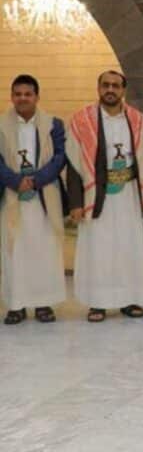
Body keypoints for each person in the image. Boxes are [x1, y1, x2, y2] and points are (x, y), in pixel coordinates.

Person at [67, 71, 143, 323]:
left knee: (129, 246)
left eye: (115, 85)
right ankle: (98, 303)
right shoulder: (82, 121)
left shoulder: (137, 120)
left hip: (127, 195)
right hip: (96, 196)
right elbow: (72, 164)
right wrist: (76, 203)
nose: (110, 90)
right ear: (98, 88)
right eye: (105, 85)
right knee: (98, 250)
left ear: (123, 90)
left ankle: (130, 299)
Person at [0, 75, 67, 325]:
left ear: (37, 97)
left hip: (44, 198)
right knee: (14, 252)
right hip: (11, 197)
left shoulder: (53, 124)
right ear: (12, 97)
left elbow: (60, 157)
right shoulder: (1, 125)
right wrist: (15, 180)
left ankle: (43, 303)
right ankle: (16, 306)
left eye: (28, 94)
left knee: (44, 250)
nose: (22, 98)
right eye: (17, 94)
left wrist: (36, 179)